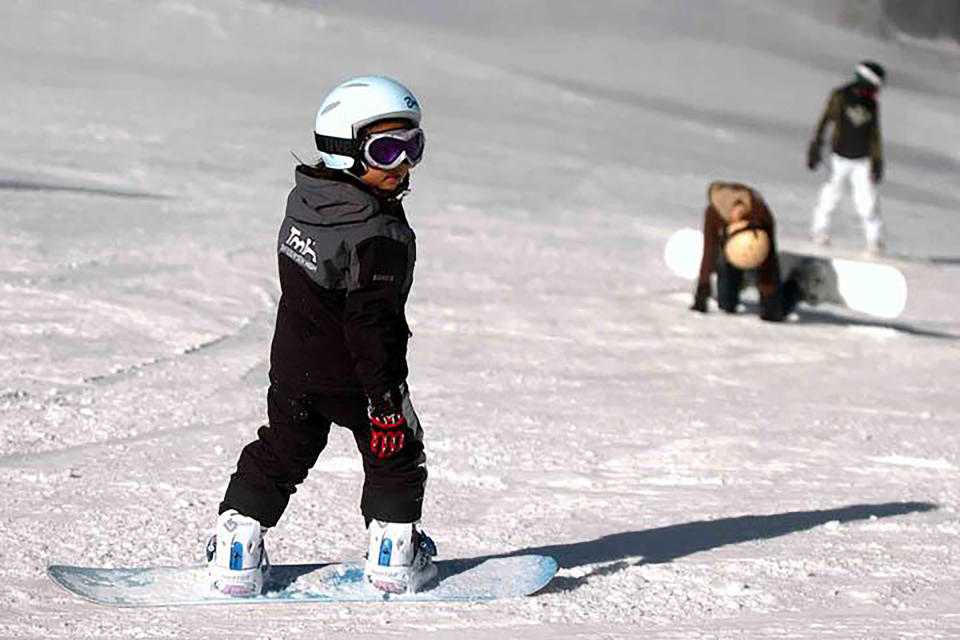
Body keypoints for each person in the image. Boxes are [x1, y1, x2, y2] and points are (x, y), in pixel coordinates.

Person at [206, 75, 436, 597]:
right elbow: (371, 327)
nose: (403, 163)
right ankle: (394, 555)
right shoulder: (378, 235)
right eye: (386, 149)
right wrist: (384, 403)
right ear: (343, 153)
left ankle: (238, 548)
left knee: (282, 450)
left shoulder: (308, 200)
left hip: (294, 369)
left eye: (413, 146)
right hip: (358, 378)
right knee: (395, 453)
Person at [806, 60, 886, 254]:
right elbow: (825, 120)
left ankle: (874, 239)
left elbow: (874, 133)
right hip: (839, 157)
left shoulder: (871, 103)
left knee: (867, 200)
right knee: (831, 194)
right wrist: (816, 145)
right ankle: (819, 230)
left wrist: (877, 160)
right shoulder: (841, 96)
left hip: (862, 160)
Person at [690, 181, 800, 322]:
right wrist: (703, 289)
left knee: (776, 311)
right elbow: (709, 251)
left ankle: (794, 288)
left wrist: (769, 300)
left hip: (757, 246)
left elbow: (769, 258)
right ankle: (737, 283)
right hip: (730, 253)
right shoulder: (713, 214)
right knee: (726, 305)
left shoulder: (760, 212)